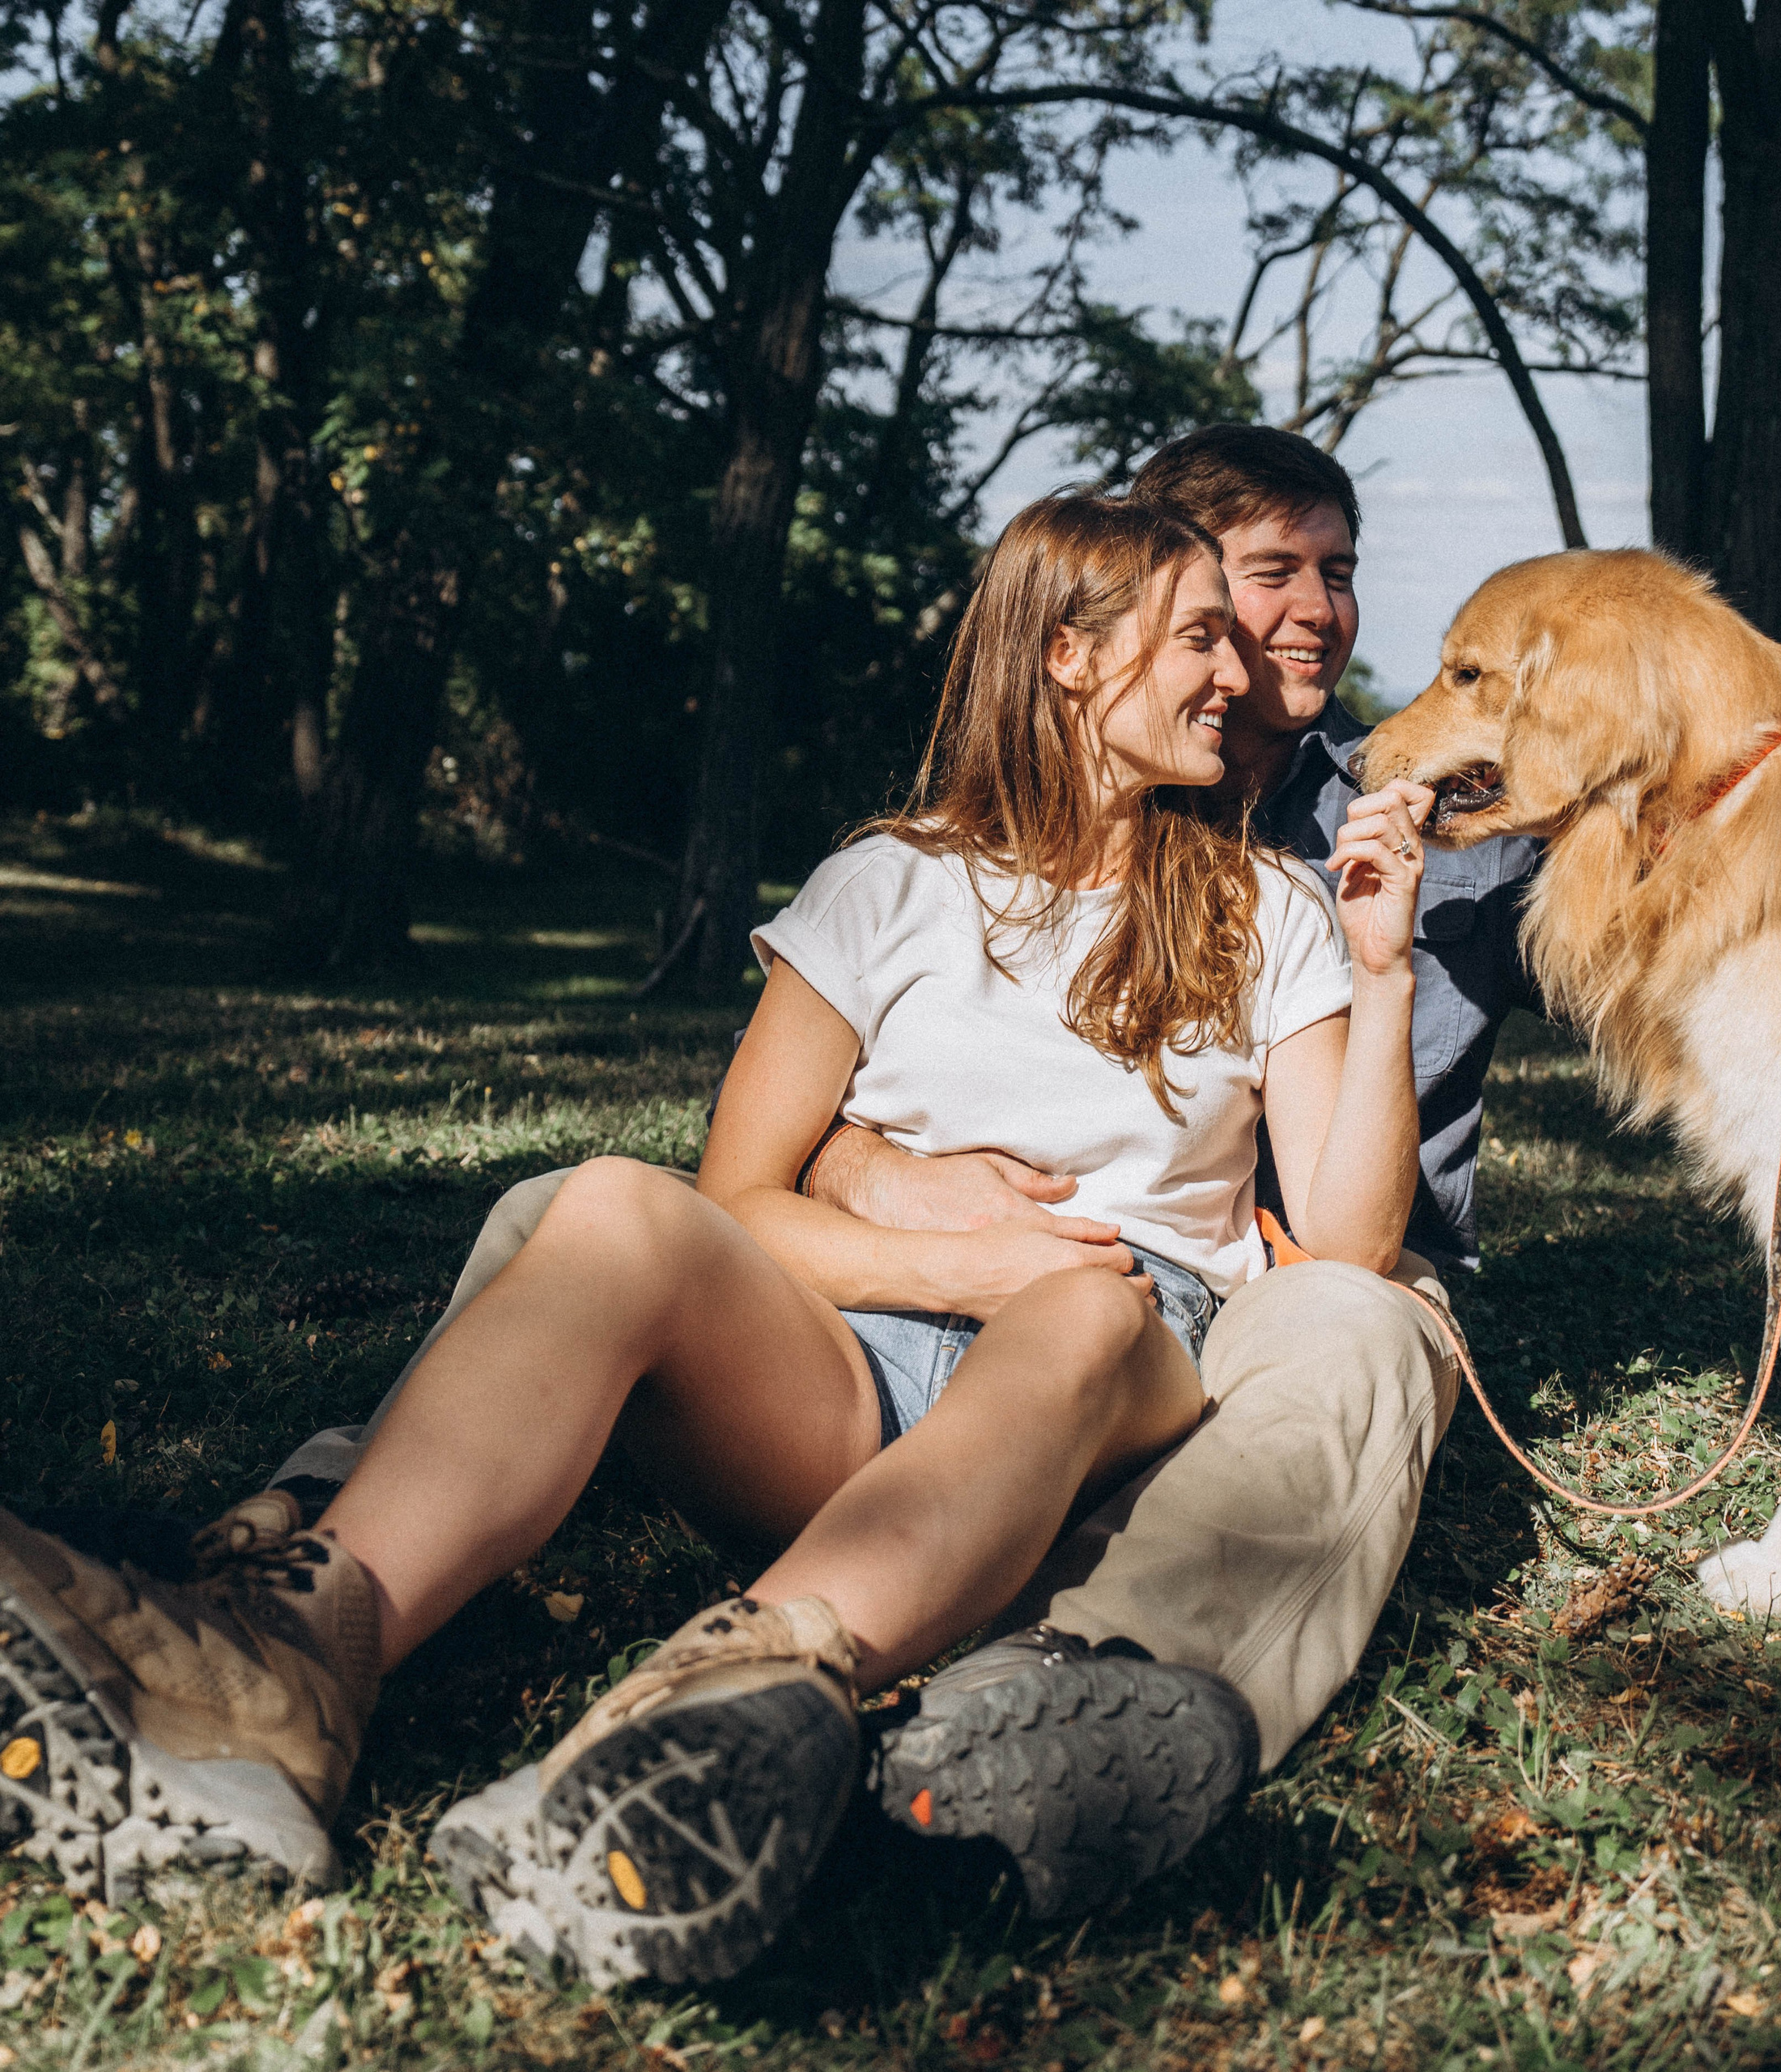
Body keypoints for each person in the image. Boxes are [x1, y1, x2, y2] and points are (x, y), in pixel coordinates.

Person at [253, 426, 1781, 1928]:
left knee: (1326, 1319)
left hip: (1217, 1306)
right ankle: (293, 1605)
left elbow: (1685, 790)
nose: (1301, 623)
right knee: (586, 1209)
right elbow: (737, 1178)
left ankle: (1048, 1701)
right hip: (900, 1334)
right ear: (1095, 628)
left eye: (1331, 577)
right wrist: (892, 1193)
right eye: (1243, 589)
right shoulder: (895, 876)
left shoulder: (1412, 806)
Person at [0, 493, 1437, 1991]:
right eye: (1198, 634)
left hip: (1120, 1378)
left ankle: (696, 1720)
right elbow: (740, 1199)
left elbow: (1346, 1238)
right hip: (860, 1375)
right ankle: (282, 1671)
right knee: (616, 1205)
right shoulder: (888, 883)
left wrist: (1384, 971)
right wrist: (961, 1266)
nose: (1236, 669)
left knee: (1074, 1319)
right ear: (1070, 656)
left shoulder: (1266, 907)